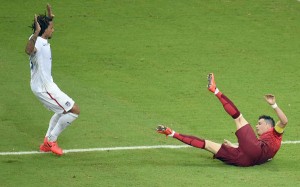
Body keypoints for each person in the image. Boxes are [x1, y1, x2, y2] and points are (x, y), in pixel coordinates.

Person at [156, 73, 288, 167]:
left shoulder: (274, 133)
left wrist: (273, 105)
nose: (256, 126)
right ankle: (171, 133)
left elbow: (284, 121)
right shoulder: (264, 144)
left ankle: (215, 90)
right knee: (208, 145)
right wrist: (234, 146)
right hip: (245, 161)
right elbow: (255, 153)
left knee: (239, 117)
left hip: (252, 153)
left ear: (269, 126)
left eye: (260, 123)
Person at [25, 4, 80, 156]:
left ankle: (46, 143)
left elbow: (42, 31)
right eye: (51, 27)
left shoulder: (39, 39)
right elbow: (29, 50)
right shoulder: (36, 42)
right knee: (74, 111)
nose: (53, 29)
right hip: (44, 87)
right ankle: (51, 140)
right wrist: (37, 32)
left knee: (62, 110)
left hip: (47, 85)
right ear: (43, 30)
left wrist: (49, 18)